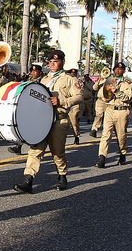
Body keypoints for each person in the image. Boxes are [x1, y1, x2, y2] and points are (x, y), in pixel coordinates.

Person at [14, 50, 83, 193]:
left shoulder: (70, 79)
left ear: (62, 62)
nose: (52, 64)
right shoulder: (44, 79)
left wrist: (62, 101)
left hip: (59, 120)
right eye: (50, 61)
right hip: (42, 120)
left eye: (55, 61)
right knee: (35, 150)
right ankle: (28, 180)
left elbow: (79, 97)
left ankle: (62, 175)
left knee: (57, 152)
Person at [95, 62, 132, 168]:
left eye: (120, 69)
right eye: (116, 69)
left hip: (122, 110)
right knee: (106, 135)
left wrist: (116, 91)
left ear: (124, 71)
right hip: (110, 109)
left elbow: (128, 97)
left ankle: (123, 152)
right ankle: (102, 157)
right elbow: (99, 94)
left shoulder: (128, 83)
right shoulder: (108, 81)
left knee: (121, 136)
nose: (118, 71)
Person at [8, 63, 43, 155]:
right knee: (22, 126)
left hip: (38, 109)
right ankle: (18, 146)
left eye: (36, 71)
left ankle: (36, 143)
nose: (33, 73)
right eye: (32, 71)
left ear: (40, 72)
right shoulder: (28, 80)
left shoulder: (43, 81)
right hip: (28, 107)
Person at [65, 68, 82, 144]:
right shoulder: (64, 80)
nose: (73, 75)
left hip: (73, 105)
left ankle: (76, 136)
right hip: (64, 105)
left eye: (74, 73)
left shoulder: (77, 81)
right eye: (71, 73)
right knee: (64, 124)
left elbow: (79, 95)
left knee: (74, 122)